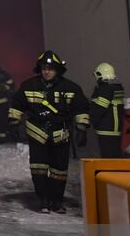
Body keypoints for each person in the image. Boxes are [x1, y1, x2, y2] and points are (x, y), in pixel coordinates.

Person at [9, 50, 90, 214]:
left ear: (58, 70)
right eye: (44, 68)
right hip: (37, 134)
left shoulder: (71, 88)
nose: (47, 71)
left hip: (61, 135)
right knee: (38, 169)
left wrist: (81, 128)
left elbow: (81, 108)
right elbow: (16, 105)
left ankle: (56, 202)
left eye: (51, 68)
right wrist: (13, 123)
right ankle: (42, 200)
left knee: (59, 171)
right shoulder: (29, 86)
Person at [89, 62, 127, 159]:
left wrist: (92, 120)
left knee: (108, 158)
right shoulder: (117, 87)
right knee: (114, 155)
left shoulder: (106, 89)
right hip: (115, 128)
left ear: (100, 75)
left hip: (106, 129)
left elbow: (99, 109)